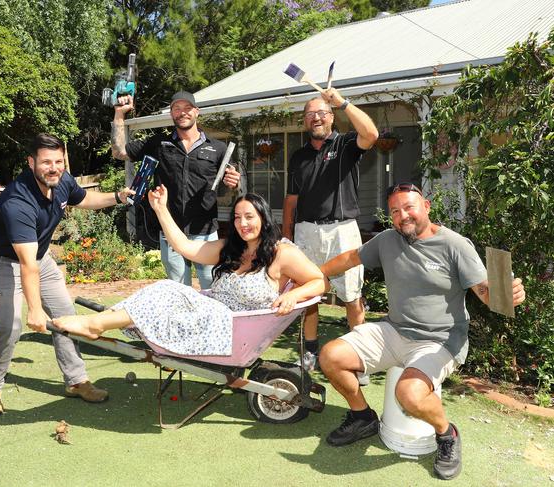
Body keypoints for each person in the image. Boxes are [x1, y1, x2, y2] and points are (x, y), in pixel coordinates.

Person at [318, 182, 526, 480]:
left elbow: (487, 293)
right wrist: (317, 274)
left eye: (409, 207)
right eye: (395, 211)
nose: (403, 215)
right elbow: (352, 257)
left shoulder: (455, 245)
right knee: (331, 355)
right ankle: (363, 417)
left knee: (409, 394)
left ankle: (447, 434)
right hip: (395, 330)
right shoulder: (388, 240)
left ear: (426, 207)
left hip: (440, 340)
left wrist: (509, 294)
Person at [53, 186, 325, 352]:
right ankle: (100, 322)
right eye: (238, 218)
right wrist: (161, 210)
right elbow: (184, 246)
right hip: (212, 316)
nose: (243, 224)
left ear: (264, 218)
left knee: (168, 291)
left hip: (235, 328)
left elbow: (318, 281)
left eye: (250, 217)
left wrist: (293, 295)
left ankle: (95, 324)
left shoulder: (282, 253)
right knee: (167, 289)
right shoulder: (229, 248)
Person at [0, 133, 135, 417]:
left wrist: (116, 196)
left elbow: (85, 197)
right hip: (2, 263)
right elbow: (26, 265)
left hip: (39, 257)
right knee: (9, 328)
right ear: (31, 162)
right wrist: (36, 310)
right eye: (46, 162)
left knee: (67, 316)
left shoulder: (62, 180)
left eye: (59, 161)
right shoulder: (18, 202)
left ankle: (76, 381)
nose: (54, 167)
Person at [282, 88, 379, 370]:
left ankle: (357, 356)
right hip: (306, 232)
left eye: (322, 113)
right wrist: (287, 236)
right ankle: (310, 352)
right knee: (308, 295)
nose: (316, 118)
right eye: (310, 114)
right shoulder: (298, 156)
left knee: (351, 295)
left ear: (332, 118)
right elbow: (291, 200)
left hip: (342, 232)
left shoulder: (347, 145)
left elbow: (371, 135)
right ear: (304, 121)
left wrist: (344, 103)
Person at [111, 90, 241, 289]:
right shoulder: (158, 143)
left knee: (214, 290)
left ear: (197, 112)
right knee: (179, 292)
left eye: (187, 108)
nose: (182, 113)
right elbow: (119, 152)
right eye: (177, 109)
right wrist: (120, 114)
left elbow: (234, 186)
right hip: (171, 231)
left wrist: (235, 182)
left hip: (205, 234)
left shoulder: (218, 149)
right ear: (171, 113)